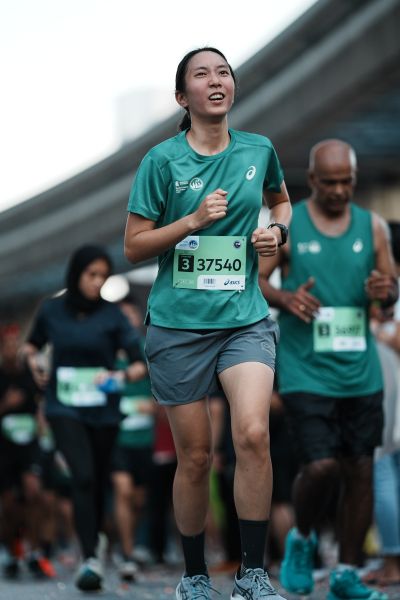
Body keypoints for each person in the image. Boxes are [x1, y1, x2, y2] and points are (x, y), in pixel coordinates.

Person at [124, 46, 292, 600]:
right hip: (177, 326)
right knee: (195, 457)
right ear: (183, 96)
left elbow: (281, 204)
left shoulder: (259, 149)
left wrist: (276, 233)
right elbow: (133, 246)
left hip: (244, 319)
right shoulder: (161, 161)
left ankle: (252, 574)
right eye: (202, 74)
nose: (216, 80)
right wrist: (192, 221)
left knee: (253, 434)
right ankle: (194, 575)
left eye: (223, 72)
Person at [258, 140, 398, 600]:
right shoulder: (289, 224)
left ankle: (347, 573)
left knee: (360, 468)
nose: (339, 190)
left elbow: (388, 293)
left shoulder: (373, 226)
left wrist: (387, 292)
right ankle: (301, 538)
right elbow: (256, 280)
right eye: (330, 182)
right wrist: (286, 298)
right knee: (320, 466)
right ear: (313, 179)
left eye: (347, 182)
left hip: (360, 370)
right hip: (306, 368)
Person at [21, 244, 147, 592]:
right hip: (63, 407)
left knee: (98, 480)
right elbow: (31, 346)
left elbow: (138, 363)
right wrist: (35, 362)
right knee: (83, 475)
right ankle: (90, 557)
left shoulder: (112, 315)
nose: (96, 282)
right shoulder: (51, 310)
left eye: (103, 276)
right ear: (76, 273)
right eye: (91, 275)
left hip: (103, 411)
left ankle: (96, 541)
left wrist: (120, 376)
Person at [0, 324, 54, 580]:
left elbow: (44, 400)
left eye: (16, 343)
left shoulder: (31, 374)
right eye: (7, 344)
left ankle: (34, 551)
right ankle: (14, 552)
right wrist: (6, 404)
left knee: (34, 492)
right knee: (10, 504)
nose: (12, 349)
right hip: (4, 448)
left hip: (30, 444)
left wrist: (43, 420)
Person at [365, 221, 400, 586]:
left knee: (383, 474)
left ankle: (392, 561)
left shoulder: (392, 294)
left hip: (391, 405)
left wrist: (375, 330)